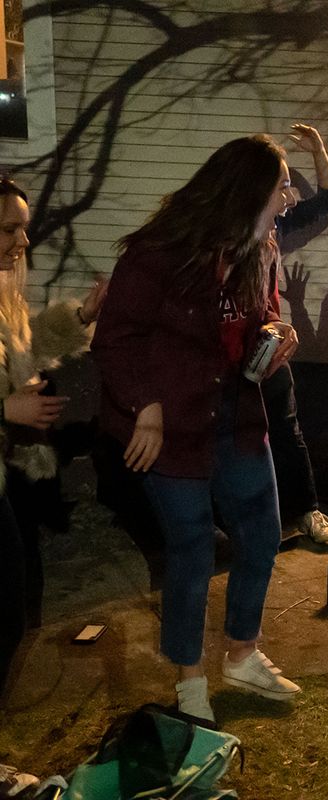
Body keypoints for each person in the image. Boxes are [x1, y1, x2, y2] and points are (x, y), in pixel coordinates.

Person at [92, 135, 302, 725]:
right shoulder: (160, 253)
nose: (290, 197)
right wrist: (146, 407)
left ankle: (241, 653)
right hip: (171, 424)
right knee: (191, 551)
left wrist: (277, 335)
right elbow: (116, 338)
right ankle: (189, 682)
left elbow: (261, 317)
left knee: (261, 534)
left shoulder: (261, 250)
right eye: (283, 184)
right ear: (248, 192)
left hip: (236, 415)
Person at [0, 177, 106, 693]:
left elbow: (23, 350)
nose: (23, 241)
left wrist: (81, 316)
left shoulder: (4, 295)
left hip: (13, 470)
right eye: (9, 229)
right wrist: (6, 407)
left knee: (19, 601)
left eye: (23, 229)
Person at [267, 122, 328, 544]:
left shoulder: (277, 228)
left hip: (270, 345)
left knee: (287, 426)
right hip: (226, 352)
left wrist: (318, 148)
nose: (292, 197)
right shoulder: (227, 236)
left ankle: (306, 510)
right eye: (283, 187)